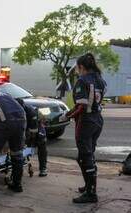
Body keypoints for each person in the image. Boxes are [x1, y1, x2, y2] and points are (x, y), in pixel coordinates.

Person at [63, 53, 107, 203]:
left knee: (84, 157)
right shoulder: (100, 79)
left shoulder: (82, 80)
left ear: (81, 67)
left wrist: (67, 116)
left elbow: (81, 106)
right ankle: (89, 186)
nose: (76, 70)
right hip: (98, 120)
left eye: (76, 67)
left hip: (86, 122)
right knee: (88, 155)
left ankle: (91, 193)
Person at [16, 98, 48, 177]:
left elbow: (33, 131)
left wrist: (30, 144)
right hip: (25, 127)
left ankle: (43, 168)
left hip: (36, 126)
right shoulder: (14, 110)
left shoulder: (30, 111)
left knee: (41, 142)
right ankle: (21, 162)